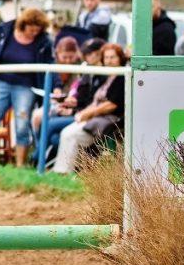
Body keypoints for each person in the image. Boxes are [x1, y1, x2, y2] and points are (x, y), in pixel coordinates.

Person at [0, 8, 53, 167]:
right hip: (1, 82)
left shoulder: (44, 41)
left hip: (26, 86)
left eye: (37, 30)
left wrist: (54, 86)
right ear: (24, 24)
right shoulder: (5, 30)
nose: (34, 33)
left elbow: (50, 64)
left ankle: (20, 165)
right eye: (31, 29)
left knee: (22, 125)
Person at [52, 43, 128, 174]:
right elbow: (96, 101)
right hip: (96, 117)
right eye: (106, 57)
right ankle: (62, 171)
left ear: (120, 58)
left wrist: (89, 114)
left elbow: (112, 104)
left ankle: (63, 172)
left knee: (70, 135)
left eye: (113, 57)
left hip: (109, 120)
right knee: (66, 132)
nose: (109, 61)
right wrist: (83, 113)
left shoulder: (121, 77)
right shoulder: (108, 76)